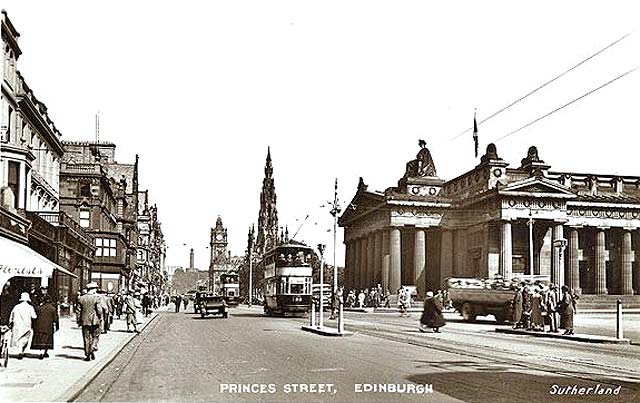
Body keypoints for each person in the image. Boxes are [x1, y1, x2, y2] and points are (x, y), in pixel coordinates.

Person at [77, 282, 103, 361]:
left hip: (84, 320)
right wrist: (100, 317)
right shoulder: (96, 298)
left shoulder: (81, 298)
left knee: (86, 337)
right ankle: (92, 348)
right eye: (95, 288)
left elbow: (78, 311)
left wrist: (79, 320)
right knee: (96, 335)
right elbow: (99, 310)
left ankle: (88, 354)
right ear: (93, 289)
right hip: (94, 320)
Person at [9, 292, 38, 359]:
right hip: (26, 326)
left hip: (17, 326)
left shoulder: (16, 307)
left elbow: (11, 315)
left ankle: (20, 351)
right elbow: (34, 316)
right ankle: (21, 351)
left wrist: (10, 322)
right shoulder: (30, 307)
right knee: (24, 339)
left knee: (18, 339)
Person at [31, 294, 59, 359]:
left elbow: (35, 318)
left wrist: (34, 326)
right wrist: (57, 327)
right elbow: (56, 319)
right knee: (48, 340)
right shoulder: (53, 309)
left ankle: (41, 352)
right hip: (48, 327)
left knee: (40, 339)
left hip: (39, 326)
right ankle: (45, 352)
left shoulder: (39, 308)